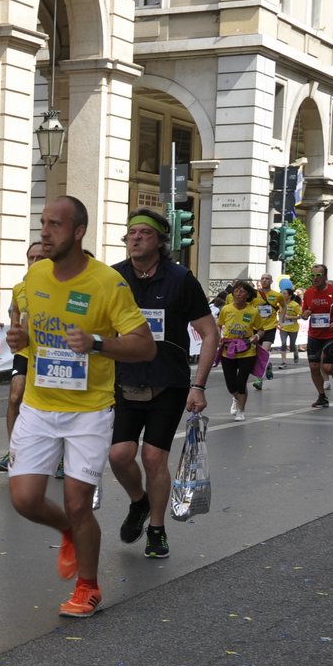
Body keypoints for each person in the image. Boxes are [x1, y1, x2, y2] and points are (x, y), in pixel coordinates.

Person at [4, 196, 155, 618]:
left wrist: (98, 343)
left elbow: (145, 346)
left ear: (78, 231)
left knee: (76, 500)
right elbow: (31, 332)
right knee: (25, 498)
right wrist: (20, 342)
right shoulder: (35, 275)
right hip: (38, 404)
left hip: (88, 410)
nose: (45, 232)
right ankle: (69, 531)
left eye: (55, 224)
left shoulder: (107, 283)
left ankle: (87, 587)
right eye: (42, 223)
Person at [108, 209, 219, 559]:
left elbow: (209, 333)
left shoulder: (181, 279)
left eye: (144, 233)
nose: (136, 238)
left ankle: (157, 529)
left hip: (167, 384)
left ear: (158, 240)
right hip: (125, 381)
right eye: (131, 233)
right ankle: (139, 502)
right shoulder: (113, 278)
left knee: (154, 457)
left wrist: (198, 386)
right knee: (119, 455)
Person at [0, 241, 45, 472]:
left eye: (40, 258)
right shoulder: (19, 289)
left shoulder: (61, 286)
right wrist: (15, 335)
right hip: (26, 350)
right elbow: (15, 319)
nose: (34, 262)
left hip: (49, 352)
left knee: (51, 405)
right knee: (15, 397)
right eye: (31, 258)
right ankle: (13, 451)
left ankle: (62, 454)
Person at [301, 263, 333, 408]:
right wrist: (305, 314)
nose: (315, 278)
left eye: (318, 275)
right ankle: (322, 396)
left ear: (325, 276)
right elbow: (303, 314)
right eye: (313, 276)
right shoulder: (308, 293)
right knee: (314, 366)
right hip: (314, 334)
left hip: (330, 334)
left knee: (328, 367)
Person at [216, 281, 263, 421]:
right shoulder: (226, 309)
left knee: (241, 382)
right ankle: (236, 399)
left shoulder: (253, 311)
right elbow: (219, 325)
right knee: (231, 385)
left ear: (247, 294)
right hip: (228, 350)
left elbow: (261, 329)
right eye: (236, 291)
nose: (238, 294)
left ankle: (241, 410)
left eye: (242, 291)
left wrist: (256, 336)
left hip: (247, 350)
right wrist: (220, 336)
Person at [251, 272, 280, 390]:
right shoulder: (254, 295)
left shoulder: (277, 295)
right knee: (257, 354)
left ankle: (259, 380)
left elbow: (282, 308)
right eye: (262, 278)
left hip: (270, 328)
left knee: (263, 351)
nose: (264, 280)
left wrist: (281, 320)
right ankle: (268, 366)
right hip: (256, 328)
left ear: (271, 281)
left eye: (267, 279)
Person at [277, 287, 302, 366]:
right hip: (283, 327)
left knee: (292, 345)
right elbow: (279, 313)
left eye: (284, 293)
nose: (282, 295)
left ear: (290, 296)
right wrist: (279, 322)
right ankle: (284, 362)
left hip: (293, 328)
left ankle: (295, 351)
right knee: (283, 343)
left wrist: (290, 317)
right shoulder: (280, 304)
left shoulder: (295, 305)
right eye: (282, 293)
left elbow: (301, 316)